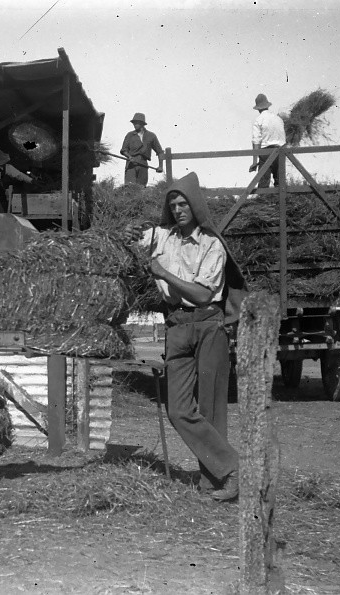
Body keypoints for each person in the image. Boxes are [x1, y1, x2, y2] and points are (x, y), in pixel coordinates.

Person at [124, 172, 247, 502]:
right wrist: (131, 230)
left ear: (195, 207)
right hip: (177, 327)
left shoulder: (212, 246)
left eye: (183, 204)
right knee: (178, 409)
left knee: (210, 409)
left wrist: (162, 273)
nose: (178, 209)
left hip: (209, 326)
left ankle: (219, 483)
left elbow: (204, 295)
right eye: (172, 205)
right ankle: (235, 467)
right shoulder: (161, 238)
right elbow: (131, 240)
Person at [249, 93, 287, 188]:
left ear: (258, 108)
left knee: (263, 183)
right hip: (281, 151)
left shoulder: (258, 120)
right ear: (267, 106)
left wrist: (254, 162)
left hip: (266, 153)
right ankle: (281, 201)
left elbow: (256, 142)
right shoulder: (278, 119)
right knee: (280, 182)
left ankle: (263, 200)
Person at [120, 112, 164, 187]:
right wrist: (130, 157)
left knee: (141, 187)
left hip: (143, 164)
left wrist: (160, 166)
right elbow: (124, 150)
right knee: (129, 187)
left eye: (137, 123)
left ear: (142, 124)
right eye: (134, 123)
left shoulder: (151, 136)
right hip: (131, 164)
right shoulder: (129, 135)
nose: (134, 125)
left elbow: (160, 152)